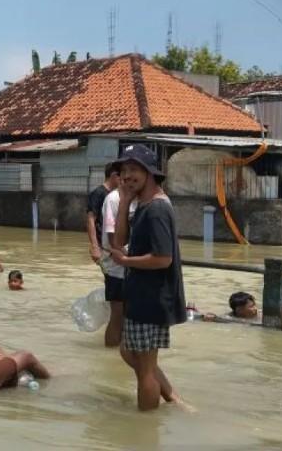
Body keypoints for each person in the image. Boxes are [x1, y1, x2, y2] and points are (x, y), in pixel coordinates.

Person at [107, 144, 187, 411]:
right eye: (124, 170)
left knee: (145, 370)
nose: (127, 176)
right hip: (141, 295)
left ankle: (146, 428)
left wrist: (127, 261)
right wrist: (125, 201)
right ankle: (174, 400)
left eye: (133, 170)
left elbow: (163, 258)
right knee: (129, 353)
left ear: (150, 172)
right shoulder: (142, 204)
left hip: (152, 298)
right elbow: (119, 242)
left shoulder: (157, 209)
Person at [100, 184, 137, 347]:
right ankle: (110, 355)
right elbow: (112, 237)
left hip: (136, 266)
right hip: (117, 268)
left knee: (131, 316)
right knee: (118, 315)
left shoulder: (143, 198)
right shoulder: (113, 200)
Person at [87, 164, 122, 265]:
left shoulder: (115, 194)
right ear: (114, 175)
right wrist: (95, 246)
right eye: (121, 175)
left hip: (112, 244)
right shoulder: (98, 193)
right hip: (103, 245)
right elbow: (90, 220)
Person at [197, 292, 261, 323]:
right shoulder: (228, 318)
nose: (255, 308)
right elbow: (213, 317)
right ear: (239, 310)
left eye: (254, 305)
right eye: (251, 306)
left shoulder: (261, 316)